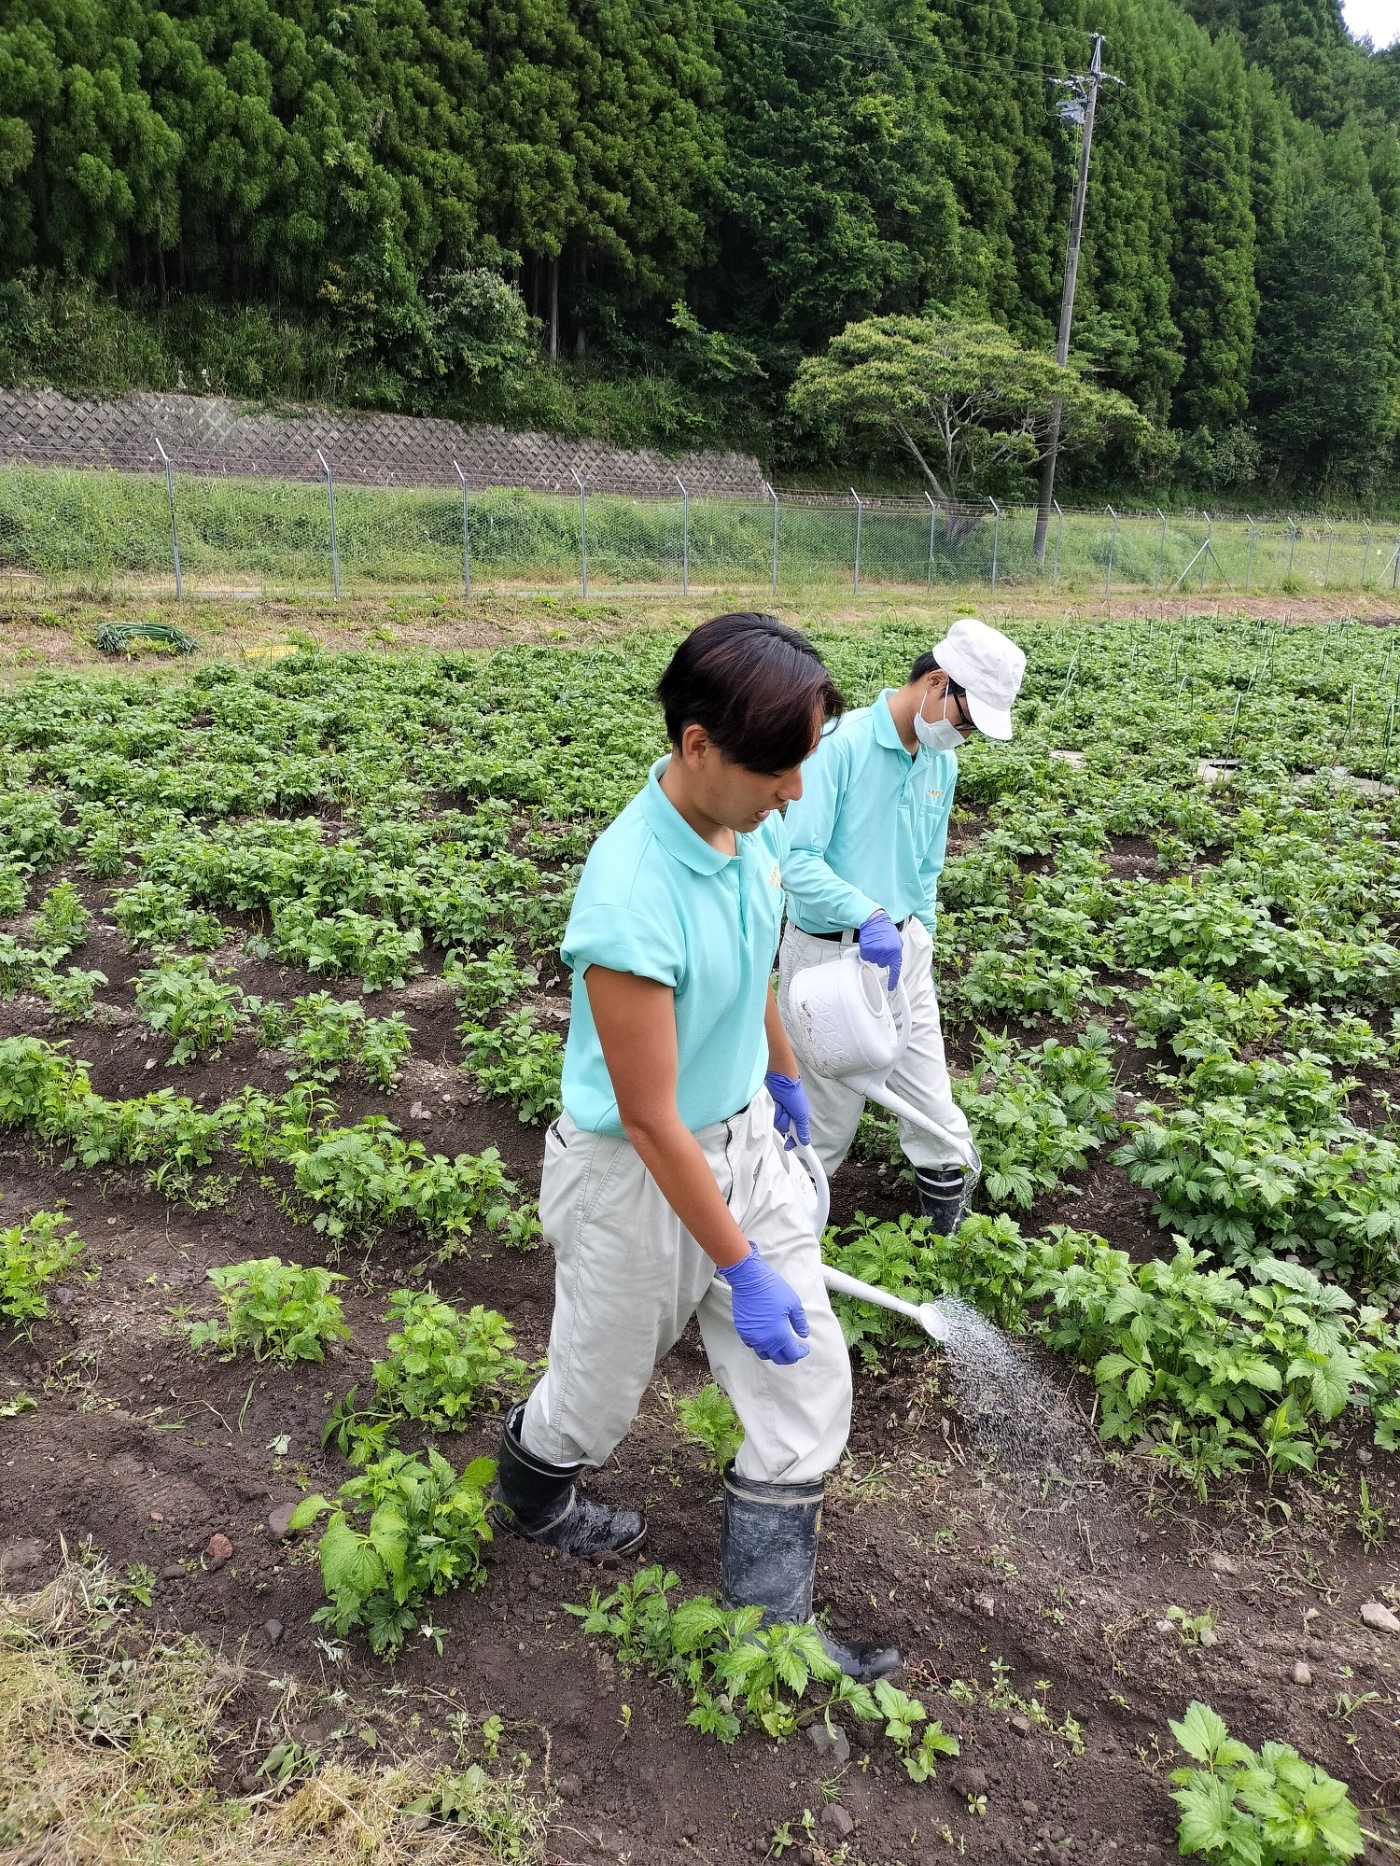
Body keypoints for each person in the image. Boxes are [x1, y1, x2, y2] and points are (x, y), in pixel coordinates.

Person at [494, 612, 900, 1682]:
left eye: (804, 762)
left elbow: (757, 960)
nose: (795, 793)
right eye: (778, 768)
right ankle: (533, 1497)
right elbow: (646, 1118)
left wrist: (778, 1072)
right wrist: (736, 1265)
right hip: (634, 1176)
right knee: (593, 1395)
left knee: (804, 1373)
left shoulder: (747, 831)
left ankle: (770, 1625)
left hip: (742, 1141)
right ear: (697, 746)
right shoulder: (629, 896)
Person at [777, 617, 1026, 1234]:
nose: (962, 736)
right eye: (965, 721)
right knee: (825, 1121)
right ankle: (783, 1240)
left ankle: (945, 1236)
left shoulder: (940, 763)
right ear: (938, 683)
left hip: (903, 952)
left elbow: (926, 865)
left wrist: (922, 936)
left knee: (931, 1104)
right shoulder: (839, 746)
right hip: (830, 959)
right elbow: (795, 862)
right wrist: (865, 912)